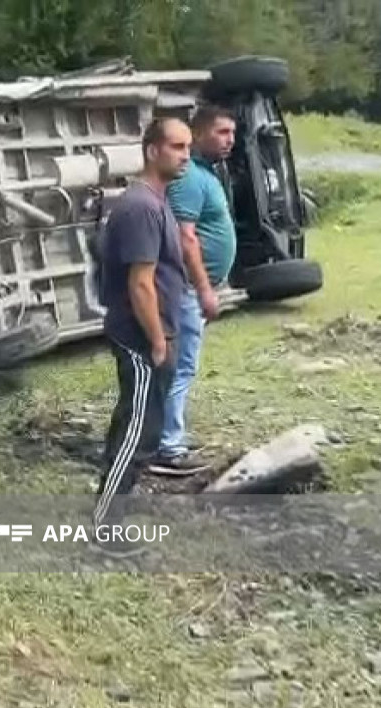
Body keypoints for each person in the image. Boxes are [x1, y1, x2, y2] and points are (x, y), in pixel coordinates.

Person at [93, 117, 192, 527]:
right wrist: (157, 341)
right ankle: (105, 525)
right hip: (140, 336)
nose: (186, 155)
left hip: (151, 332)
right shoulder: (140, 207)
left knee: (136, 427)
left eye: (188, 147)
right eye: (176, 147)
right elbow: (141, 284)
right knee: (137, 433)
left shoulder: (156, 200)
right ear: (153, 150)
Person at [149, 105, 239, 477]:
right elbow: (185, 239)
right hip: (185, 289)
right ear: (198, 134)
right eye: (221, 132)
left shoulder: (202, 174)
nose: (230, 140)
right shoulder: (188, 179)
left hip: (189, 289)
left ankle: (165, 438)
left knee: (180, 365)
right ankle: (168, 447)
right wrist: (204, 290)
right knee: (180, 366)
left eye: (232, 132)